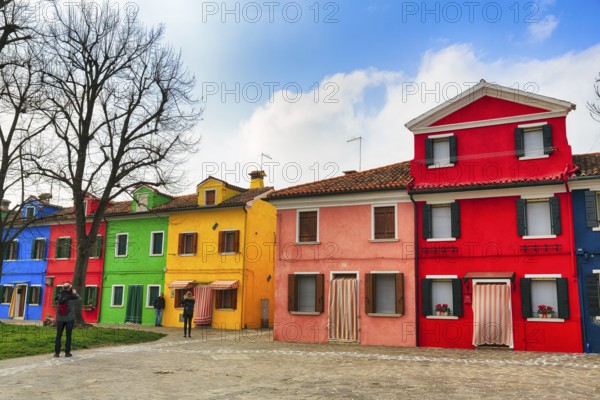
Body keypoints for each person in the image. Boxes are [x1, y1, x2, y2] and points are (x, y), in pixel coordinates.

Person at [54, 282, 82, 357]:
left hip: (59, 318)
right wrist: (75, 293)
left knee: (58, 335)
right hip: (69, 318)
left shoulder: (58, 296)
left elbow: (55, 302)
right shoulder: (72, 297)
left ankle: (57, 353)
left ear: (63, 288)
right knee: (68, 335)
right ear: (70, 288)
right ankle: (67, 353)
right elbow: (79, 300)